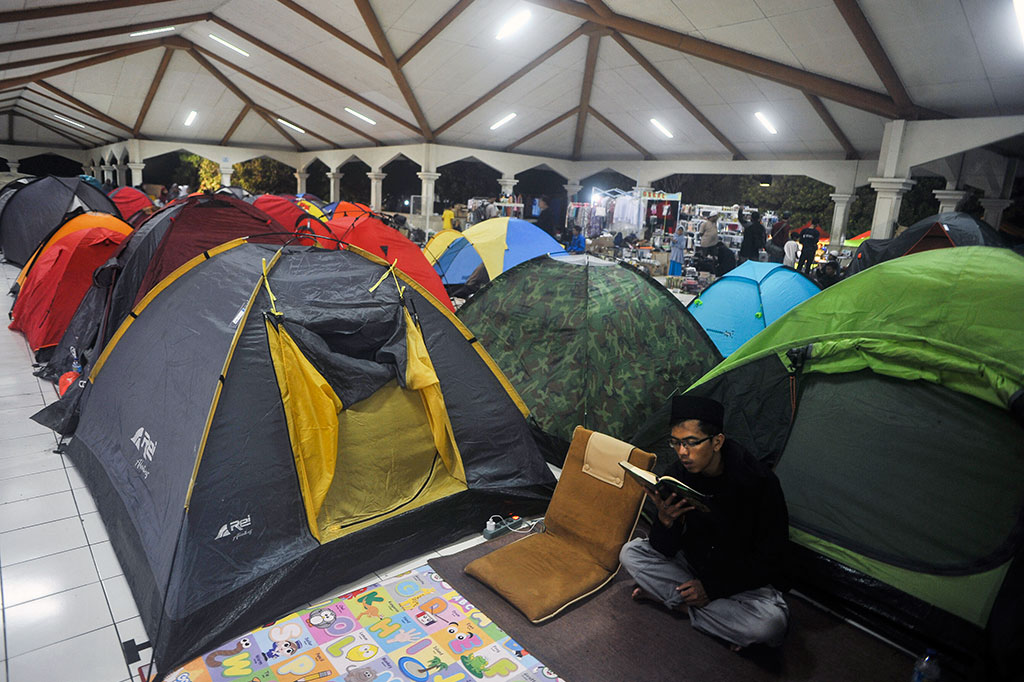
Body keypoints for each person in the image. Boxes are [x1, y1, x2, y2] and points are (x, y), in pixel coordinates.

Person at [620, 395, 790, 651]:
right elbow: (664, 549)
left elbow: (771, 559)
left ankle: (677, 604)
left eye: (691, 443)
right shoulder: (677, 474)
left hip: (740, 578)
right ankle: (710, 617)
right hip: (693, 562)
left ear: (717, 442)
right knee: (630, 553)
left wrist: (711, 588)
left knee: (770, 625)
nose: (682, 453)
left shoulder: (758, 483)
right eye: (676, 443)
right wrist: (666, 523)